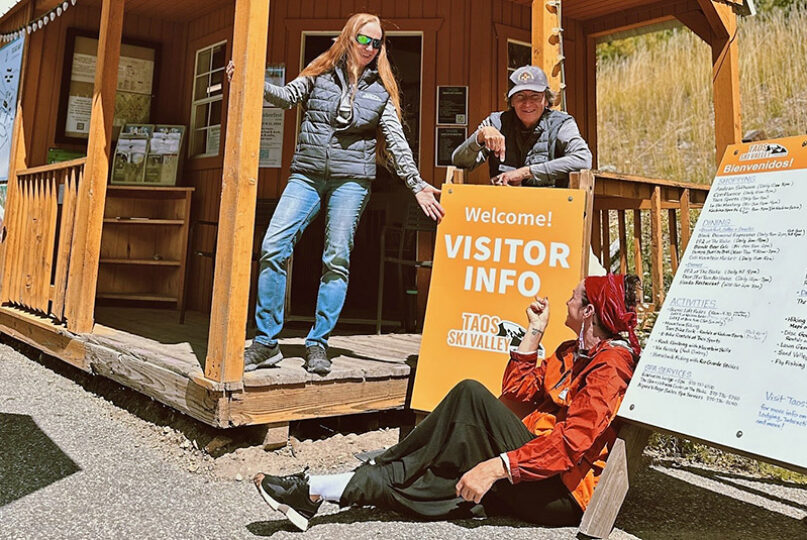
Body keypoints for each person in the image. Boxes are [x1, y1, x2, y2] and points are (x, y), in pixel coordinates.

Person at [252, 273, 642, 531]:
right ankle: (317, 490)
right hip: (534, 465)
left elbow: (573, 443)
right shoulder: (573, 351)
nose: (566, 299)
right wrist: (534, 332)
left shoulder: (611, 366)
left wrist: (496, 467)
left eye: (574, 297)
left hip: (560, 493)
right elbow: (518, 390)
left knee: (469, 395)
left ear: (589, 311)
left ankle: (376, 465)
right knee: (433, 478)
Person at [237, 13, 444, 375]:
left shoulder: (380, 91)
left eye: (377, 43)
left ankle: (318, 343)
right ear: (349, 38)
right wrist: (252, 81)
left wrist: (416, 184)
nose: (371, 48)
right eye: (365, 40)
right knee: (273, 247)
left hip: (352, 180)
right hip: (307, 174)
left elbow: (395, 143)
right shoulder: (318, 72)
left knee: (336, 257)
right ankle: (266, 342)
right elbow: (286, 97)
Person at [451, 65, 605, 276]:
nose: (527, 103)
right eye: (520, 96)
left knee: (593, 276)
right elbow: (459, 161)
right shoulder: (496, 123)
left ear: (546, 99)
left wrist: (525, 172)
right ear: (511, 101)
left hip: (553, 222)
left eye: (535, 96)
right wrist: (479, 137)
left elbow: (582, 158)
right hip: (504, 222)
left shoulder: (561, 123)